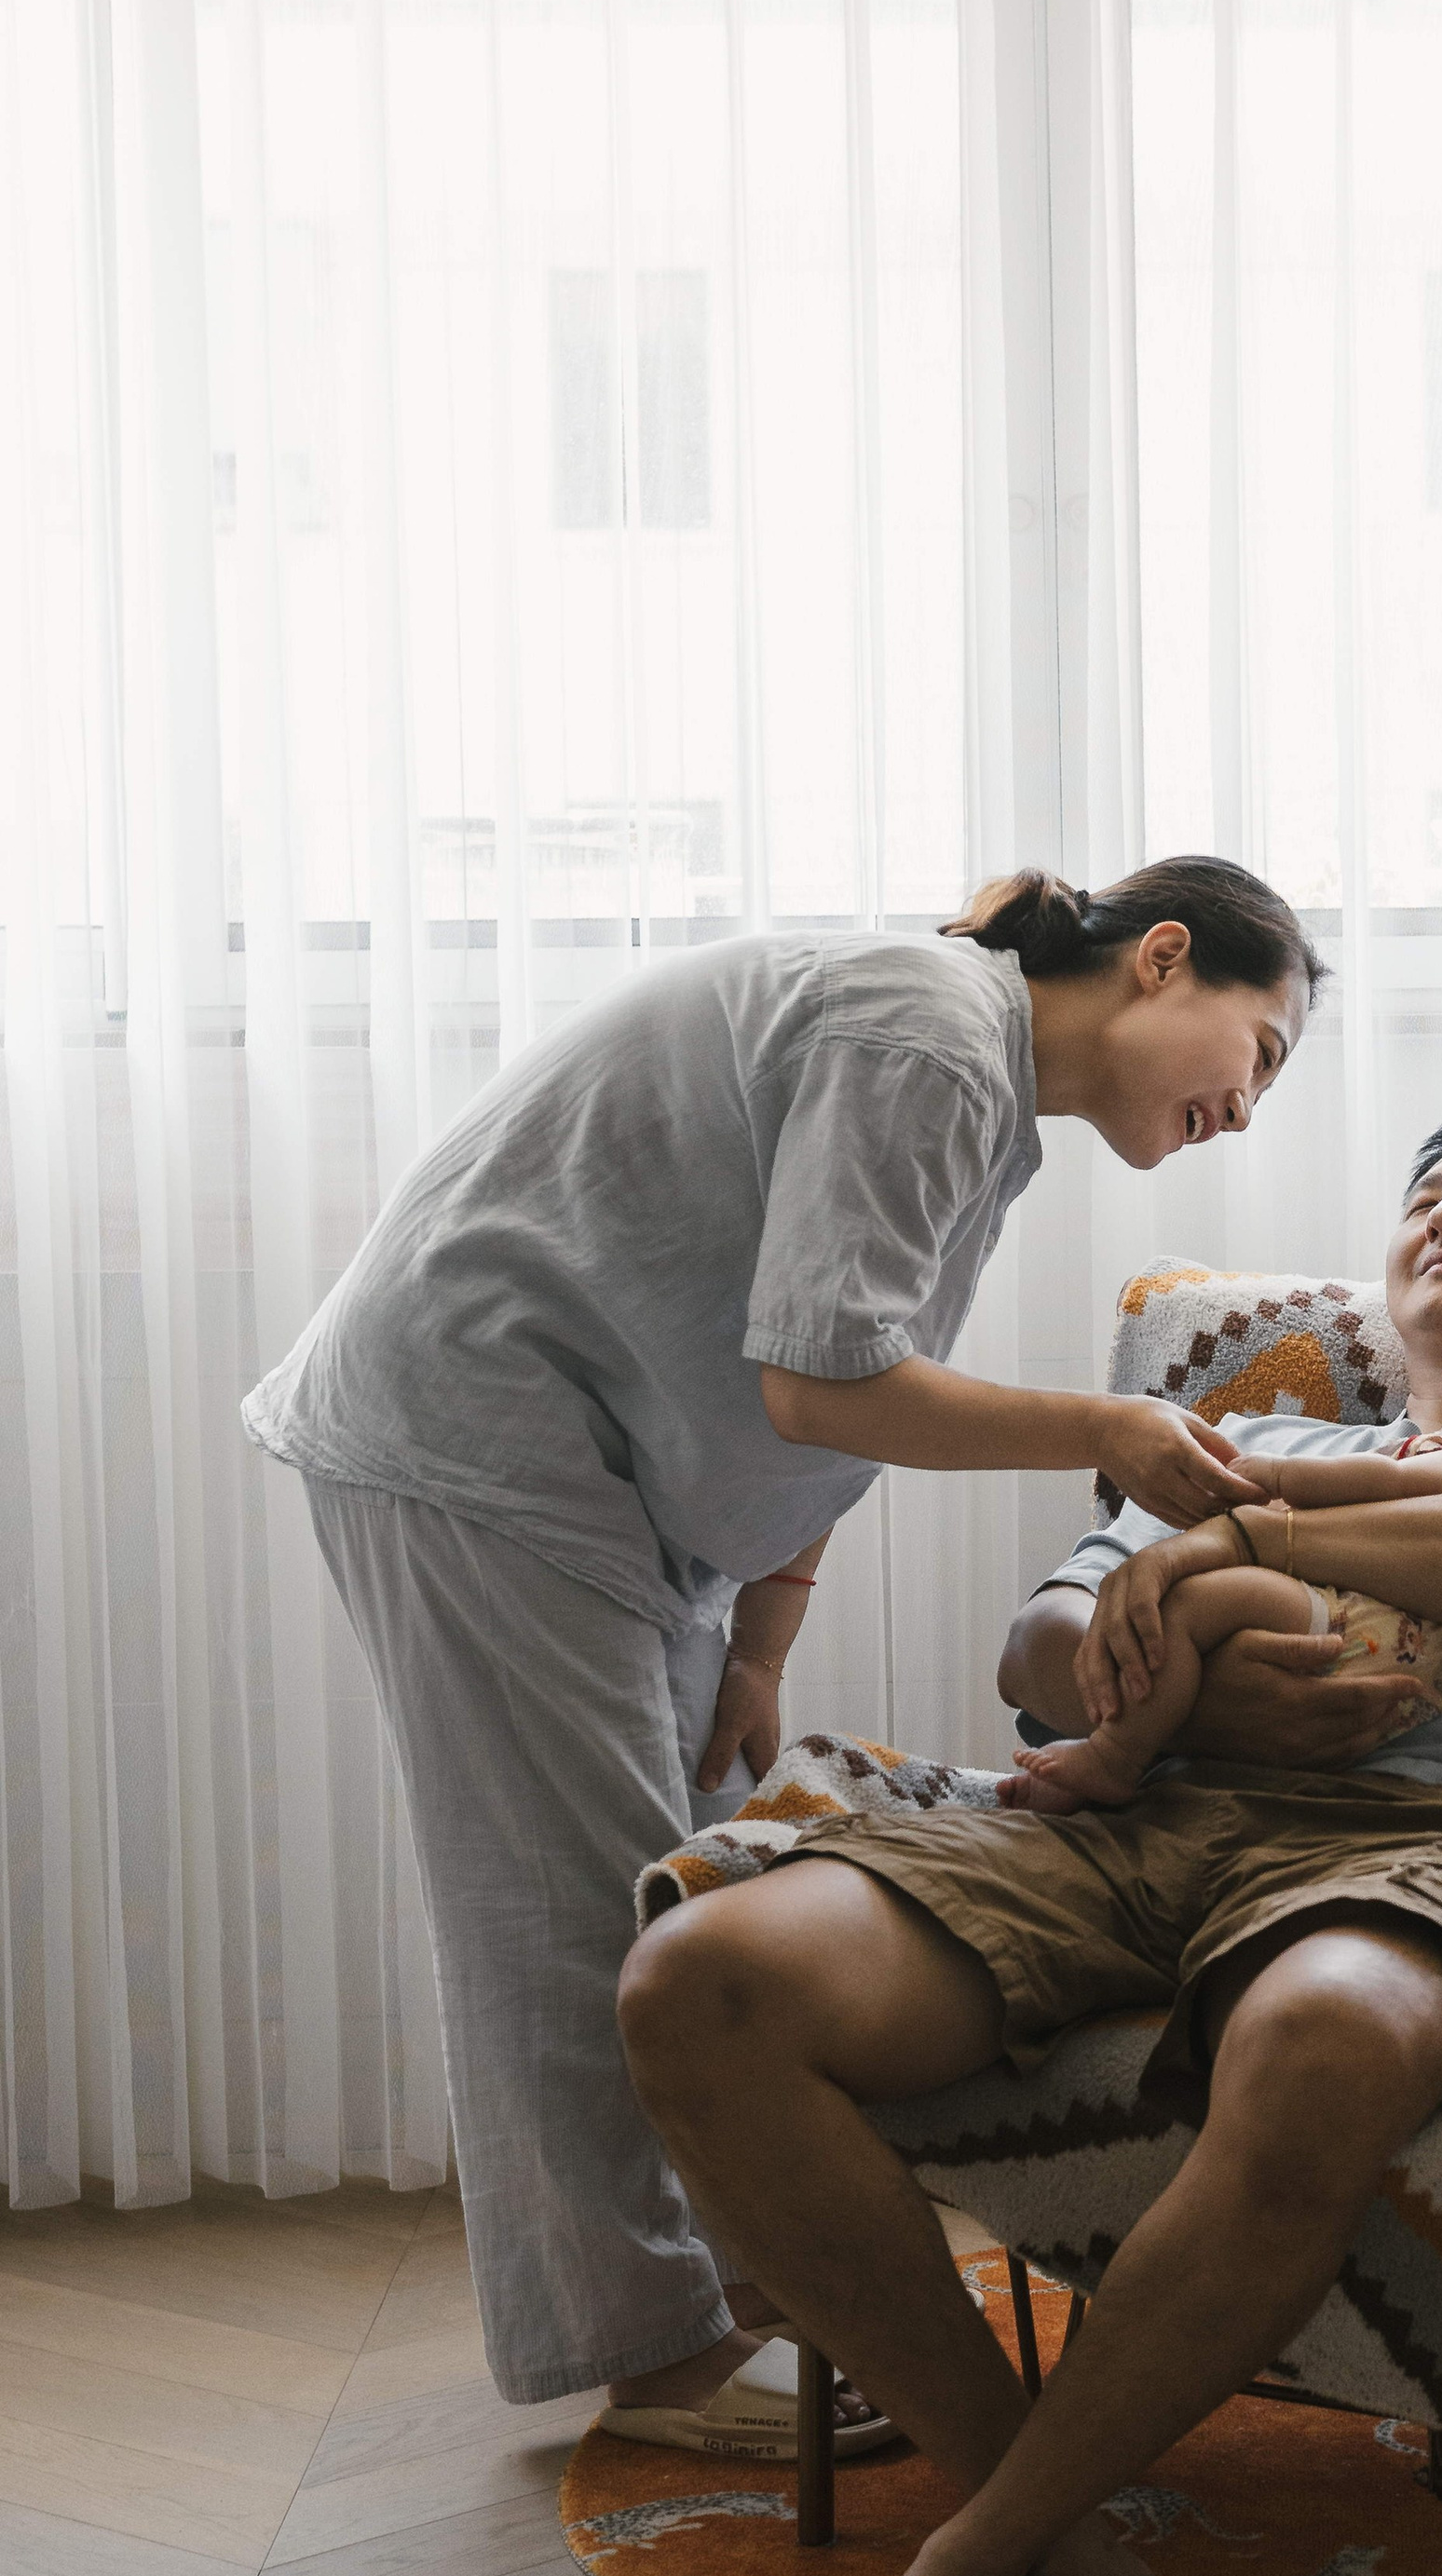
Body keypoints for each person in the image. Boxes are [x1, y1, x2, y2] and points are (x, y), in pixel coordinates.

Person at [615, 1114, 1442, 2576]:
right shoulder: (1257, 1426)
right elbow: (1041, 1653)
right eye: (1423, 1194)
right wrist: (1197, 1684)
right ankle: (1065, 2552)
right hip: (1129, 1814)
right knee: (700, 1980)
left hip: (1437, 1840)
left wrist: (1245, 1539)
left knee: (1330, 2036)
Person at [239, 858, 1319, 2454]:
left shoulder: (970, 1075)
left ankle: (724, 2293)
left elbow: (846, 1368)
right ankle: (656, 2356)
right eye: (1266, 1051)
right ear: (1164, 958)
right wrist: (1104, 1427)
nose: (1252, 1106)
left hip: (603, 1478)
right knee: (578, 1911)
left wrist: (758, 1639)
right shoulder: (927, 1032)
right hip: (488, 1433)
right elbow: (830, 1385)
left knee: (658, 1882)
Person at [998, 1366, 1442, 1811]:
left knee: (1194, 1606)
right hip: (1389, 1671)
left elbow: (1384, 1485)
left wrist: (1281, 1480)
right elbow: (1023, 1658)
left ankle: (1116, 1754)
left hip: (1350, 1622)